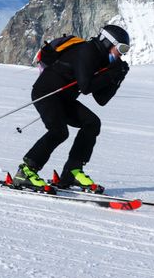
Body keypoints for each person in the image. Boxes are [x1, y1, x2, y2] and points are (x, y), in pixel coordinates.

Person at [13, 24, 130, 193]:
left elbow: (101, 99)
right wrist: (111, 74)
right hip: (46, 92)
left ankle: (71, 172)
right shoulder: (87, 51)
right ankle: (25, 171)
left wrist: (118, 77)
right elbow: (86, 87)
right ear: (107, 42)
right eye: (121, 48)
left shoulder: (103, 60)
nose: (122, 53)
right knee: (58, 132)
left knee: (92, 123)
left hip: (64, 99)